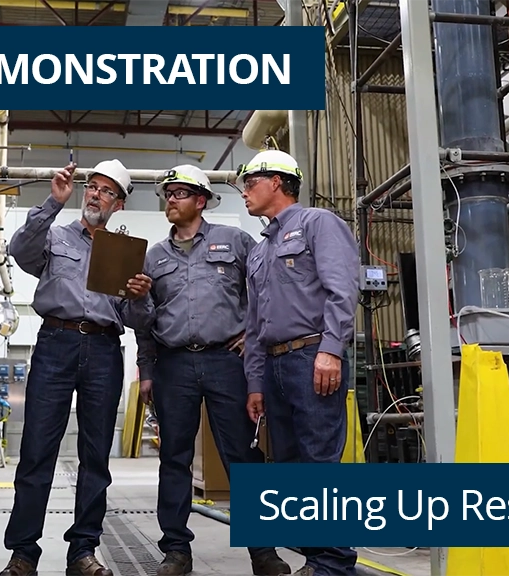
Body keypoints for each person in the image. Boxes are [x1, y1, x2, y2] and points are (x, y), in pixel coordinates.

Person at [133, 165, 292, 576]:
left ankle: (263, 552)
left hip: (227, 362)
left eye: (180, 193)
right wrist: (146, 368)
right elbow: (145, 321)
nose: (170, 199)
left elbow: (267, 287)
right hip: (173, 365)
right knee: (174, 458)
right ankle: (176, 552)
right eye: (167, 193)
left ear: (201, 200)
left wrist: (253, 334)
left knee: (243, 456)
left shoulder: (235, 241)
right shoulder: (152, 257)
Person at [1, 160, 153, 576]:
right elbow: (19, 250)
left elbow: (136, 318)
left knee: (95, 457)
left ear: (118, 204)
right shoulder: (54, 236)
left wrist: (140, 296)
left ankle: (82, 551)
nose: (95, 195)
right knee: (36, 452)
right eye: (92, 187)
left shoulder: (124, 253)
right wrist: (53, 200)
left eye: (106, 191)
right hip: (55, 344)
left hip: (104, 349)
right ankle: (23, 554)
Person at [240, 150, 361, 576]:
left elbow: (343, 289)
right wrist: (255, 382)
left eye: (250, 181)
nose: (244, 190)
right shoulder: (258, 252)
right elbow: (254, 325)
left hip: (312, 357)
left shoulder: (317, 224)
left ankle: (333, 563)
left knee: (319, 461)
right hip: (274, 367)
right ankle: (316, 556)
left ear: (277, 181)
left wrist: (331, 348)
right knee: (290, 465)